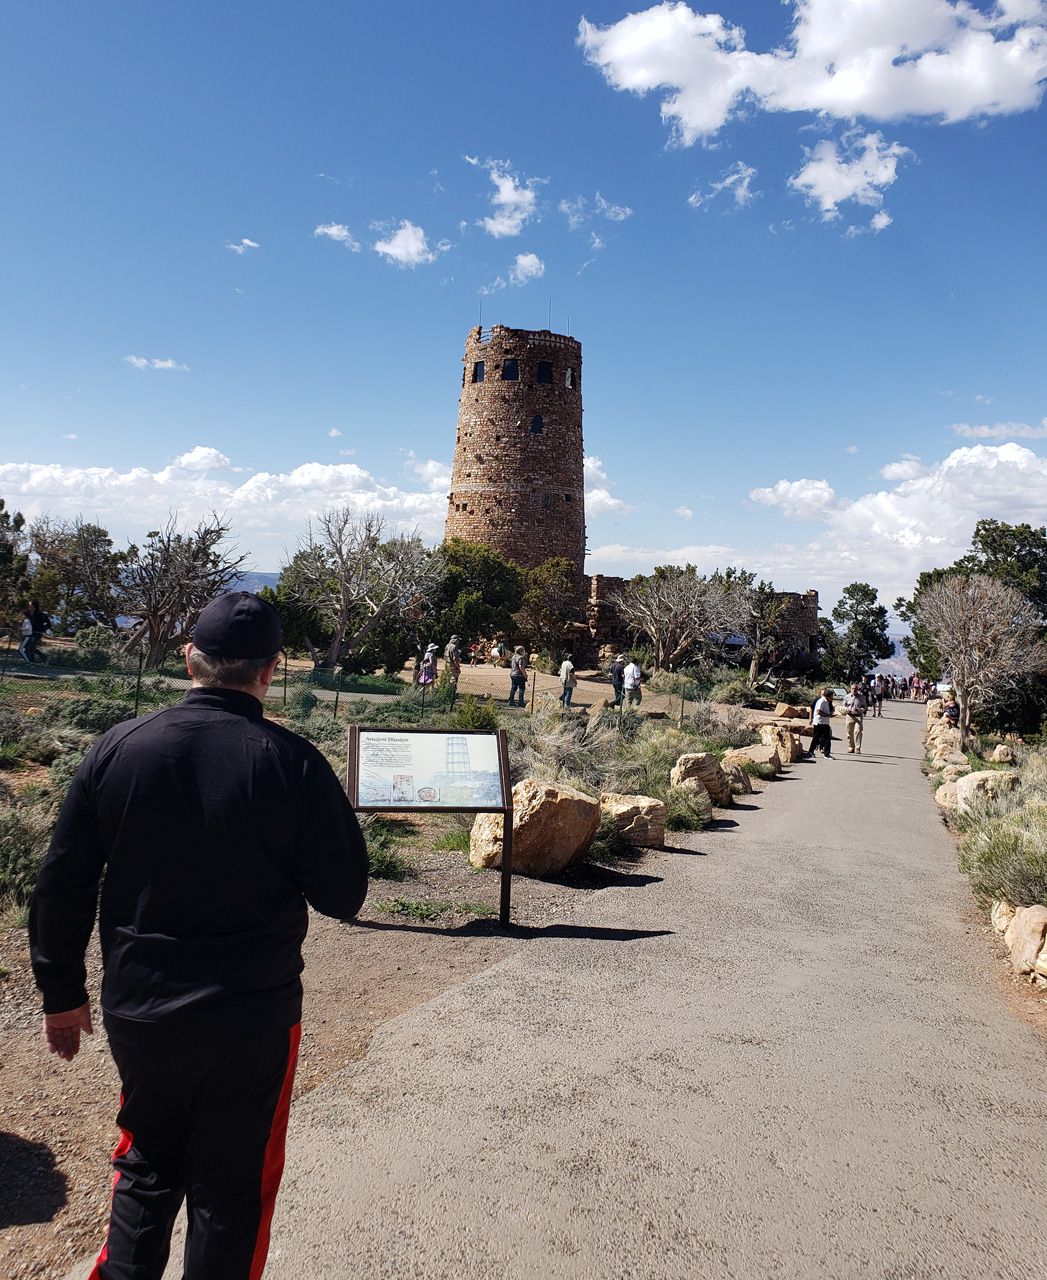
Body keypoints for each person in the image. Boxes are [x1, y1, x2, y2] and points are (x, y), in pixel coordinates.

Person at [29, 592, 369, 1280]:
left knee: (147, 1164)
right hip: (252, 1016)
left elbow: (62, 882)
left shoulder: (118, 748)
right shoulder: (294, 763)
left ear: (190, 658)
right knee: (232, 1188)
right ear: (273, 670)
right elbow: (344, 895)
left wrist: (60, 994)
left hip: (142, 1007)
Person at [843, 683, 867, 754]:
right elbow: (843, 705)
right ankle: (850, 747)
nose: (854, 690)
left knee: (858, 731)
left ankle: (857, 747)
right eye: (852, 689)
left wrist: (860, 710)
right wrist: (846, 709)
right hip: (849, 716)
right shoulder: (847, 697)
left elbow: (865, 707)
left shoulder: (861, 697)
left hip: (858, 716)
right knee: (849, 732)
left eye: (855, 689)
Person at [810, 687, 834, 757]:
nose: (832, 698)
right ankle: (811, 750)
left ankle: (827, 753)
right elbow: (818, 711)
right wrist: (828, 715)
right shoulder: (821, 701)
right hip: (819, 722)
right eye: (831, 696)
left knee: (827, 738)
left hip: (825, 723)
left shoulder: (827, 702)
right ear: (828, 696)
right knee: (816, 737)